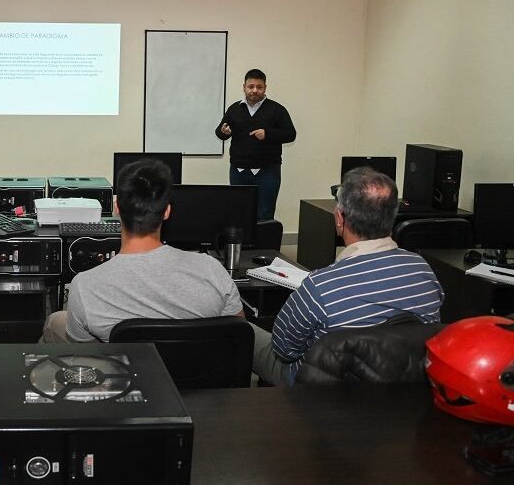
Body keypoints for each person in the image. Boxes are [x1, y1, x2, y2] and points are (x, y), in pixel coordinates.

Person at [251, 167, 444, 387]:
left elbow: (284, 349)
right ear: (392, 217)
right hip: (402, 383)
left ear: (340, 218)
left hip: (320, 388)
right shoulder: (423, 271)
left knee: (248, 333)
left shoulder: (320, 286)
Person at [41, 159, 243, 343]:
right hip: (201, 379)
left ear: (117, 208)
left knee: (55, 322)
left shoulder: (85, 286)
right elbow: (238, 333)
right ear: (166, 211)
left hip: (128, 378)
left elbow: (84, 352)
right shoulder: (212, 270)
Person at [215, 69, 296, 221]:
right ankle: (241, 245)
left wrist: (268, 134)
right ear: (244, 87)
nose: (254, 90)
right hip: (239, 171)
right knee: (238, 212)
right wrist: (224, 132)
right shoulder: (234, 109)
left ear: (265, 88)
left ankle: (263, 245)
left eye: (259, 87)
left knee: (265, 213)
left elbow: (291, 134)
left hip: (267, 171)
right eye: (250, 86)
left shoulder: (277, 110)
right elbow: (219, 132)